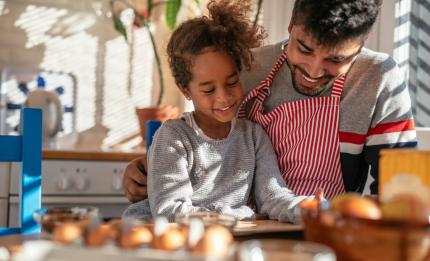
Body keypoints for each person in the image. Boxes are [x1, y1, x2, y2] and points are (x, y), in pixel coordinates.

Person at [123, 0, 417, 203]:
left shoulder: (379, 79)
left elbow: (400, 195)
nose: (313, 71)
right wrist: (151, 169)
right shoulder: (244, 70)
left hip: (323, 237)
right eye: (304, 48)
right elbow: (203, 144)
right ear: (291, 25)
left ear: (360, 46)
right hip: (239, 233)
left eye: (336, 59)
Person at [122, 0, 315, 223]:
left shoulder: (253, 136)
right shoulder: (174, 137)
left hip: (217, 235)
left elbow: (273, 196)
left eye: (232, 82)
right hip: (157, 235)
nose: (223, 96)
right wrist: (237, 215)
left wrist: (307, 209)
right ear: (186, 90)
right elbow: (169, 211)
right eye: (208, 89)